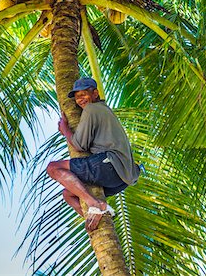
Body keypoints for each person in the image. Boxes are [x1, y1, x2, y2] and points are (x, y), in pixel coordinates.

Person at [47, 77, 140, 232]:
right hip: (122, 179)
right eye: (77, 97)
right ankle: (99, 219)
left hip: (111, 164)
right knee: (68, 194)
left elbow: (79, 144)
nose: (80, 100)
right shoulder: (104, 110)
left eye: (83, 94)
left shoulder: (92, 109)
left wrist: (65, 130)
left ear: (95, 93)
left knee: (53, 168)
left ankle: (94, 204)